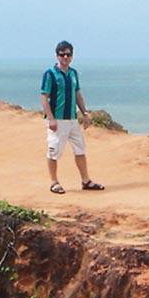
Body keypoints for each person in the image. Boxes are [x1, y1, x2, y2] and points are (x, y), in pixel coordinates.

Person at [40, 41, 105, 194]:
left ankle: (86, 180)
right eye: (62, 54)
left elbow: (77, 94)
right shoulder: (50, 74)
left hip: (72, 119)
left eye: (68, 54)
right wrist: (50, 118)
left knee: (80, 149)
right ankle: (54, 182)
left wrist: (85, 113)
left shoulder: (73, 73)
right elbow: (44, 96)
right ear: (57, 55)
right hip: (58, 119)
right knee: (54, 151)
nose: (65, 57)